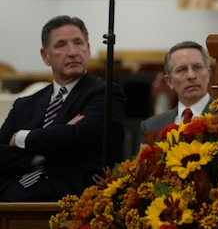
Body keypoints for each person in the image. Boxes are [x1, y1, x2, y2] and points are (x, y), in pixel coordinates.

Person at [0, 15, 126, 201]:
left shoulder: (105, 94)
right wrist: (47, 150)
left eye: (78, 43)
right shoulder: (24, 105)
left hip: (70, 200)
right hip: (11, 195)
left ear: (88, 49)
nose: (72, 52)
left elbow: (81, 138)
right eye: (61, 45)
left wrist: (22, 137)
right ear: (45, 56)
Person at [139, 41, 213, 140]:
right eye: (182, 70)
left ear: (208, 74)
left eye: (197, 67)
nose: (191, 76)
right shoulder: (151, 127)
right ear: (169, 81)